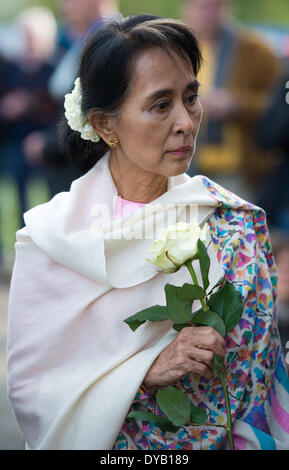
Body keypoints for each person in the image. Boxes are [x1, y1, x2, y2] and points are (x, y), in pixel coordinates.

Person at [6, 15, 289, 451]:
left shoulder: (233, 226)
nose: (186, 122)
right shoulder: (50, 241)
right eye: (161, 105)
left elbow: (256, 388)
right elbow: (32, 390)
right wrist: (143, 370)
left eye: (191, 97)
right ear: (104, 126)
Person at [181, 0, 281, 202]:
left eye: (212, 6)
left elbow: (278, 106)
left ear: (227, 8)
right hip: (188, 166)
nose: (205, 14)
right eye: (199, 7)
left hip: (238, 170)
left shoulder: (255, 50)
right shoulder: (178, 48)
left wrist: (236, 105)